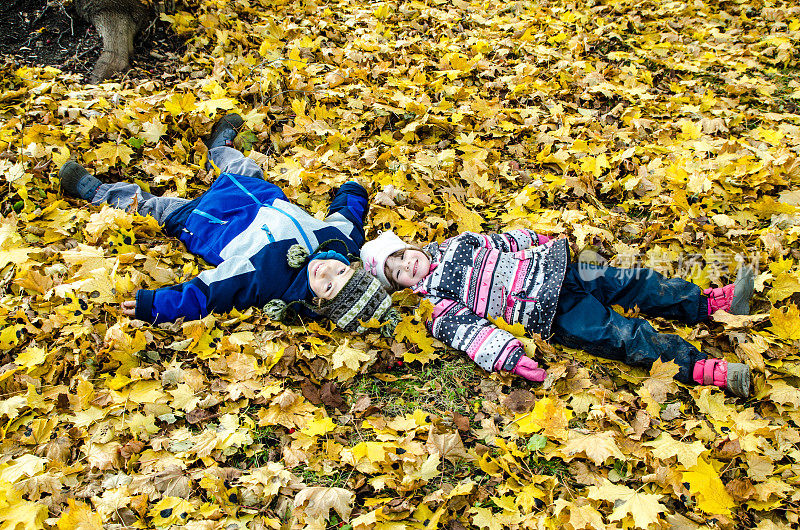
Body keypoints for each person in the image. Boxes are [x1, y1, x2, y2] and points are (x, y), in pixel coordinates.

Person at [58, 113, 396, 334]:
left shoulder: (268, 281)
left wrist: (156, 305)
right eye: (340, 272)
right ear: (352, 266)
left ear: (317, 302)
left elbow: (211, 291)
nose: (325, 272)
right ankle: (220, 149)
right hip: (257, 194)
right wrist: (355, 191)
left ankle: (100, 192)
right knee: (245, 167)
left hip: (211, 221)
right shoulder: (343, 244)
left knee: (156, 208)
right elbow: (349, 216)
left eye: (326, 286)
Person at [360, 229, 754, 397]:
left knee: (634, 281)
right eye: (396, 275)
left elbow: (504, 239)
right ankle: (704, 369)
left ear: (411, 246)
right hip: (550, 312)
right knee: (621, 335)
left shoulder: (458, 243)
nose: (406, 267)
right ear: (402, 287)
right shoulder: (436, 301)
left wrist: (538, 240)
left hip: (560, 267)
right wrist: (508, 357)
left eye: (401, 257)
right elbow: (469, 331)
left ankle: (705, 303)